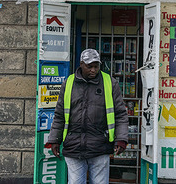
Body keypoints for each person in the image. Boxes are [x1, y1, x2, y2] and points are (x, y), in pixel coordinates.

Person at [46, 48, 129, 184]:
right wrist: (54, 139)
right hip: (73, 147)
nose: (93, 70)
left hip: (100, 146)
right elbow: (60, 114)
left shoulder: (110, 83)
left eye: (96, 66)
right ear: (81, 64)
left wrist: (121, 139)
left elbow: (120, 114)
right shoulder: (68, 83)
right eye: (89, 66)